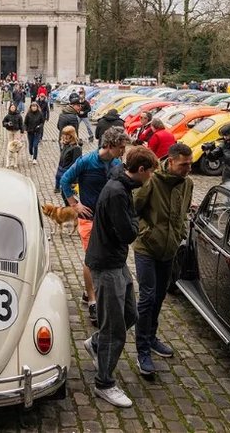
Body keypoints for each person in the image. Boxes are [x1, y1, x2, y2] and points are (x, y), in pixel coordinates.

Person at [82, 146, 158, 408]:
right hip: (107, 264)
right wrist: (136, 220)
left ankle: (95, 344)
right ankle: (104, 382)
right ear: (140, 170)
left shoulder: (121, 184)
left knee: (130, 315)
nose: (150, 178)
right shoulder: (117, 193)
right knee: (114, 330)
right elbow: (128, 233)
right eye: (149, 173)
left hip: (115, 261)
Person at [132, 143, 193, 376]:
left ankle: (151, 336)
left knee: (158, 296)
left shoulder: (187, 184)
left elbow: (183, 212)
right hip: (146, 248)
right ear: (171, 162)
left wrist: (179, 234)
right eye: (184, 164)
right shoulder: (151, 182)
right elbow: (133, 209)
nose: (188, 168)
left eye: (190, 164)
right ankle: (142, 350)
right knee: (147, 297)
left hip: (169, 250)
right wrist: (144, 231)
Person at [61, 127, 130, 326]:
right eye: (121, 147)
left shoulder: (117, 163)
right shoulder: (86, 161)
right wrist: (75, 204)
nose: (123, 151)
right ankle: (92, 300)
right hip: (89, 218)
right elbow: (65, 180)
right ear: (109, 145)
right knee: (92, 259)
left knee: (101, 257)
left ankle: (87, 291)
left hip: (107, 219)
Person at [55, 125, 82, 195]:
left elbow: (76, 164)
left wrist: (74, 181)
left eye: (66, 135)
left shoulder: (76, 148)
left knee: (67, 196)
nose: (64, 136)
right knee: (64, 195)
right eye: (63, 134)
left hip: (68, 176)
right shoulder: (66, 145)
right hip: (62, 173)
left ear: (71, 136)